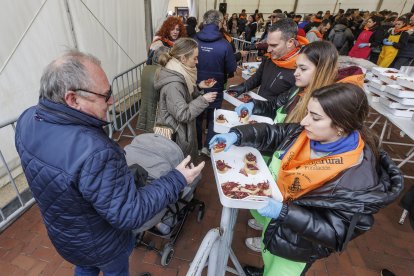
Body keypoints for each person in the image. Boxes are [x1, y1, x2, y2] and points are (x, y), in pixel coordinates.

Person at [14, 50, 205, 275]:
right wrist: (177, 178)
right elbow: (131, 213)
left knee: (84, 267)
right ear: (73, 99)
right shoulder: (94, 151)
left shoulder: (27, 119)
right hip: (103, 245)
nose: (112, 101)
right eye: (105, 95)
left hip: (65, 237)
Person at [210, 83, 403, 276]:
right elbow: (272, 133)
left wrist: (284, 212)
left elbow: (336, 233)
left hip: (298, 248)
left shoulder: (359, 180)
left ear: (341, 126)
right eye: (308, 113)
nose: (304, 121)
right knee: (269, 258)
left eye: (315, 117)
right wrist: (236, 134)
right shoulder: (306, 135)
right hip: (276, 226)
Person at [235, 41, 338, 252]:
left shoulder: (324, 106)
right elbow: (275, 105)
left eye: (302, 69)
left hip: (292, 171)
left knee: (281, 217)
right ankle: (266, 229)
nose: (296, 74)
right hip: (279, 154)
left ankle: (269, 236)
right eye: (296, 68)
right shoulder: (298, 89)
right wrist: (254, 104)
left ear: (322, 70)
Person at [154, 38, 217, 160]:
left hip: (180, 133)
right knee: (181, 170)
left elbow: (183, 98)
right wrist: (203, 100)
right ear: (183, 59)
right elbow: (183, 114)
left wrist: (198, 87)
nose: (197, 61)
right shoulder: (174, 84)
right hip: (177, 135)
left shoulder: (179, 73)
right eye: (195, 58)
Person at [227, 19, 309, 101]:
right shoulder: (269, 57)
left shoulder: (302, 69)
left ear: (290, 42)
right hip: (260, 105)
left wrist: (259, 106)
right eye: (268, 45)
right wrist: (243, 87)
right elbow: (257, 77)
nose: (269, 50)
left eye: (274, 45)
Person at [195, 10, 237, 156]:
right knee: (213, 117)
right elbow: (231, 68)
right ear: (219, 23)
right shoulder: (224, 44)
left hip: (195, 85)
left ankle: (197, 146)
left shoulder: (193, 40)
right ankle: (208, 147)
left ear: (204, 22)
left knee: (196, 116)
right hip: (216, 86)